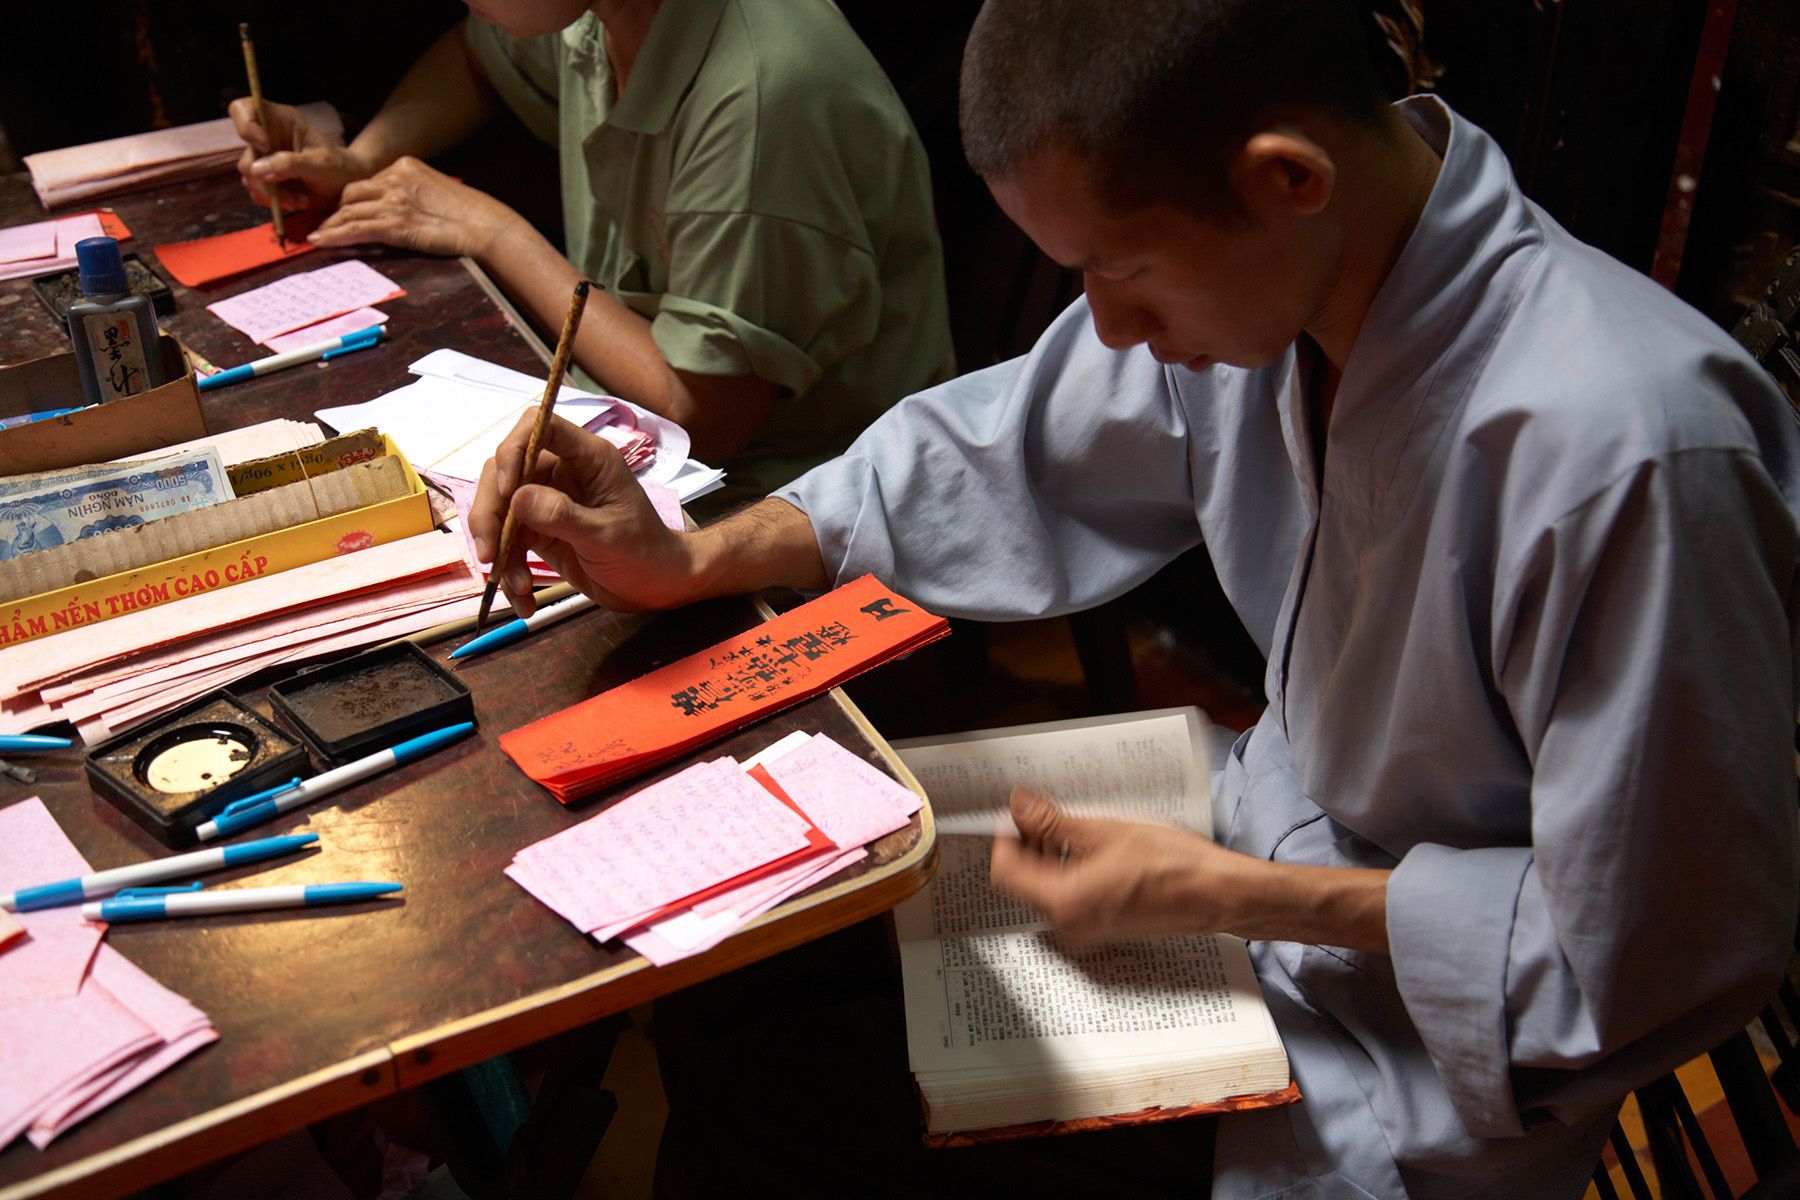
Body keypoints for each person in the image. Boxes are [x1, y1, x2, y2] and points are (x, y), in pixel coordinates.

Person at [469, 0, 1800, 1194]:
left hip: (1410, 1047)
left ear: (1287, 179)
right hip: (1238, 858)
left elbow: (1645, 965)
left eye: (1119, 271)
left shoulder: (1628, 450)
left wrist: (1243, 898)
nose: (1101, 326)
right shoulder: (1287, 277)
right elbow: (1012, 447)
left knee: (818, 1117)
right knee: (760, 975)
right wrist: (692, 558)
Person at [231, 0, 955, 508]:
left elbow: (701, 417)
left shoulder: (759, 102)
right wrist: (361, 160)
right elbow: (481, 55)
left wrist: (495, 233)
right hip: (634, 430)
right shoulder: (600, 15)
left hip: (789, 501)